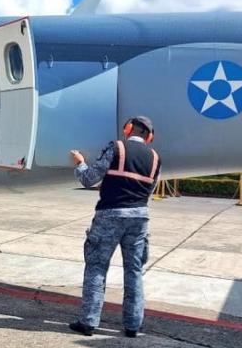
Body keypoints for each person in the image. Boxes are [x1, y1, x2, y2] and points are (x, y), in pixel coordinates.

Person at [67, 116, 161, 338]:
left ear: (128, 129)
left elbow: (89, 179)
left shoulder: (117, 148)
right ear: (149, 136)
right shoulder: (156, 158)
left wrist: (80, 163)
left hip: (110, 215)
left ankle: (88, 322)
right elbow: (148, 191)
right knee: (134, 271)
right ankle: (132, 325)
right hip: (139, 218)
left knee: (97, 267)